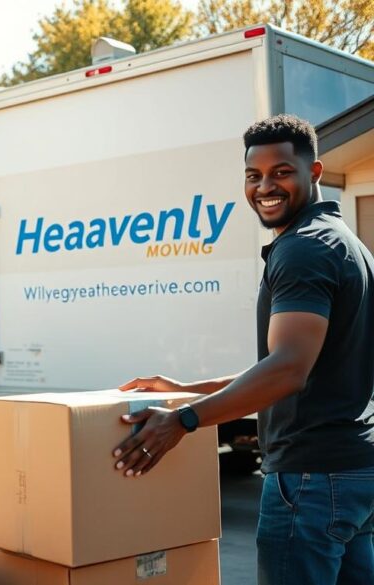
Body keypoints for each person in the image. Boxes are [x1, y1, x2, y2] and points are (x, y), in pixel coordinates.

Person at [110, 115, 374, 585]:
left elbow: (288, 369)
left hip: (309, 480)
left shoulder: (304, 249)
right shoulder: (344, 244)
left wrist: (183, 420)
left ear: (313, 173)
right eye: (254, 175)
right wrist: (188, 389)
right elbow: (294, 366)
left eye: (282, 172)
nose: (265, 186)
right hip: (351, 474)